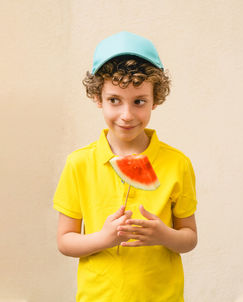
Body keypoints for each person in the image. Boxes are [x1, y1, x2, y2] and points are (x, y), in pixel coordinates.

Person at [53, 31, 198, 302]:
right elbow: (65, 241)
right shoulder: (79, 163)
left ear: (156, 99)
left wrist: (164, 235)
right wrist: (104, 238)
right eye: (114, 100)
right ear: (98, 97)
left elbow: (189, 238)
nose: (127, 115)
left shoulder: (178, 164)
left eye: (139, 101)